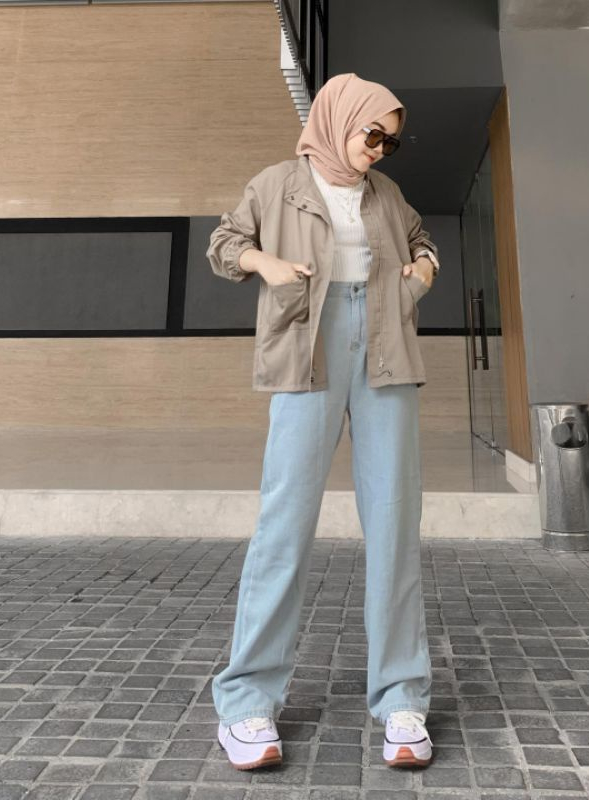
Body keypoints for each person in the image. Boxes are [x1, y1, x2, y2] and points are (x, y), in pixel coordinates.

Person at [206, 72, 441, 771]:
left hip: (386, 344)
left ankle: (402, 697)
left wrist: (425, 270)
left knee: (395, 522)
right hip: (309, 342)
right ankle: (247, 701)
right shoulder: (277, 183)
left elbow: (422, 240)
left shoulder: (386, 194)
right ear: (339, 120)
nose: (380, 149)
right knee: (284, 521)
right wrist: (265, 264)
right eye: (373, 134)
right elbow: (223, 243)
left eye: (391, 142)